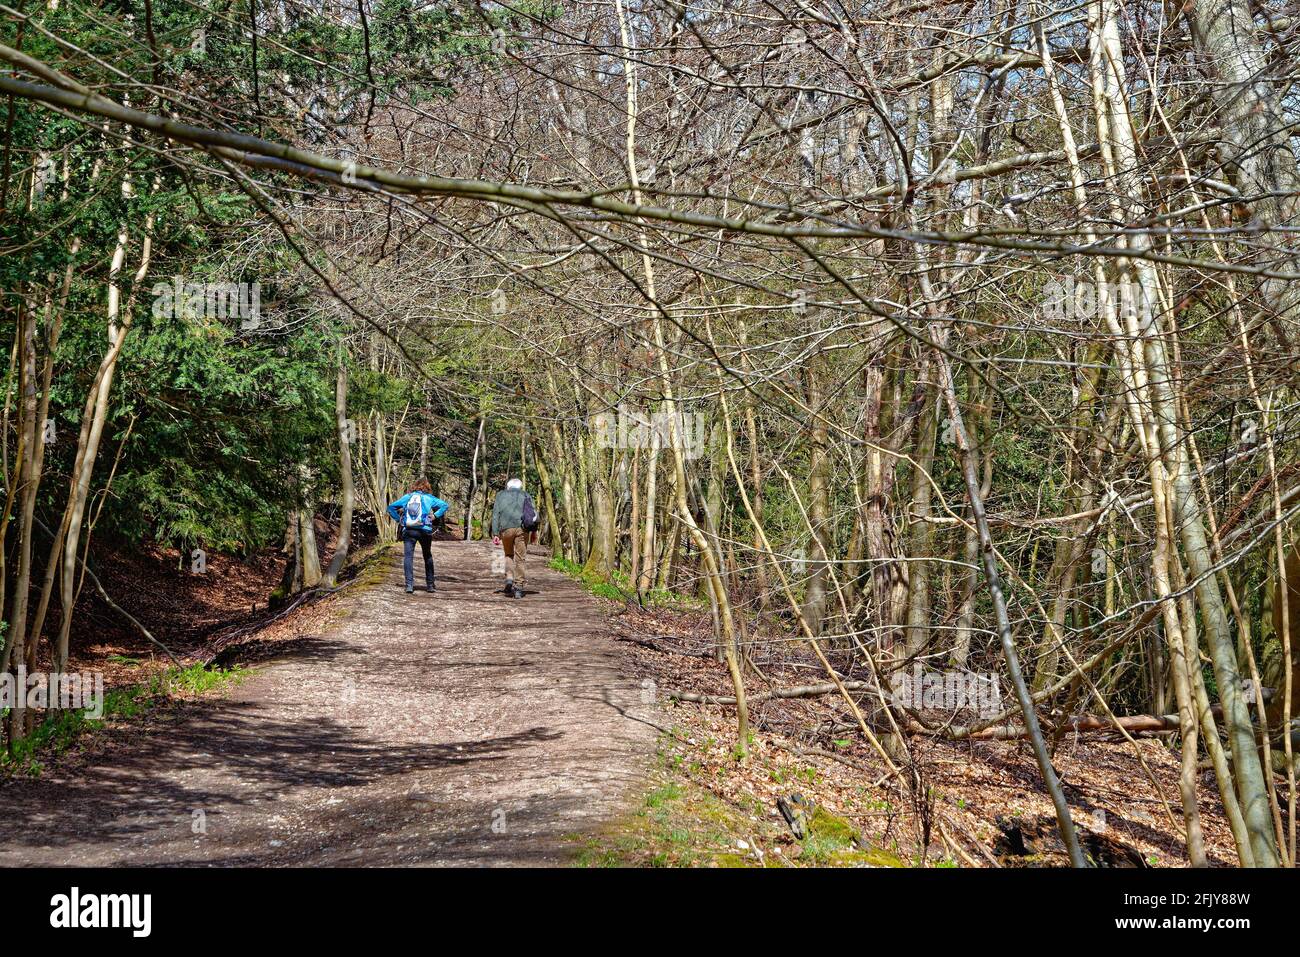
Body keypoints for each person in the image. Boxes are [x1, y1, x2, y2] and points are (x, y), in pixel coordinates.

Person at [387, 479, 449, 594]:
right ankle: (430, 585)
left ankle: (409, 585)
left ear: (414, 486)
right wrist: (435, 516)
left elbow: (390, 507)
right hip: (425, 530)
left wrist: (399, 520)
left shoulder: (408, 497)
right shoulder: (429, 498)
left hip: (409, 530)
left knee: (408, 557)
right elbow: (445, 505)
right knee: (427, 556)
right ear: (427, 487)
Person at [491, 477, 538, 599]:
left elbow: (496, 514)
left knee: (508, 555)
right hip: (523, 529)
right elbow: (533, 515)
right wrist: (534, 532)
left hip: (505, 529)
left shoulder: (500, 495)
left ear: (508, 486)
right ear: (520, 486)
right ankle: (518, 587)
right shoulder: (526, 495)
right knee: (520, 558)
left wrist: (495, 533)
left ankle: (509, 579)